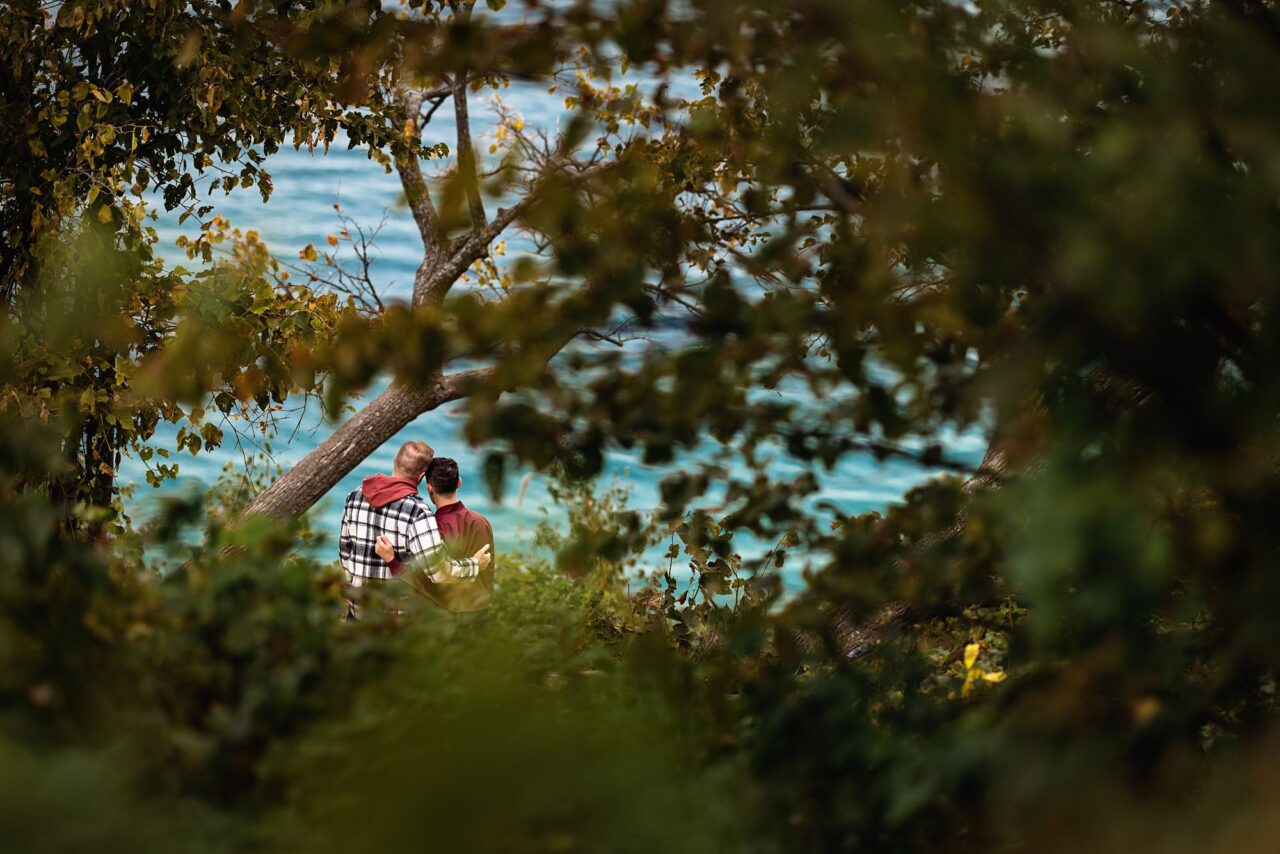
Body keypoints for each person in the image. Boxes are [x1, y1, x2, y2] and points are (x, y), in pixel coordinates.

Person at [338, 440, 491, 620]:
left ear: (395, 461)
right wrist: (474, 564)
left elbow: (345, 556)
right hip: (396, 621)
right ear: (421, 478)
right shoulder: (418, 512)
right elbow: (439, 573)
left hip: (359, 611)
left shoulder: (355, 496)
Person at [375, 456, 496, 614]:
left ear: (429, 488)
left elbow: (426, 581)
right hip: (481, 611)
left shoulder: (431, 529)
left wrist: (392, 561)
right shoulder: (482, 522)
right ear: (459, 482)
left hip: (447, 615)